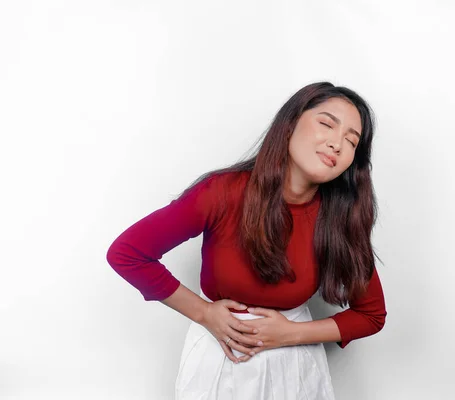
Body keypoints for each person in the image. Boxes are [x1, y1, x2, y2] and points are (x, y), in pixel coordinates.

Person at [105, 81, 387, 399]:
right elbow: (128, 253)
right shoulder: (221, 192)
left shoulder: (341, 217)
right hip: (219, 357)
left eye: (351, 142)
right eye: (326, 124)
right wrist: (204, 313)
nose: (337, 144)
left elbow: (372, 314)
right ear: (290, 123)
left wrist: (291, 334)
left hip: (294, 367)